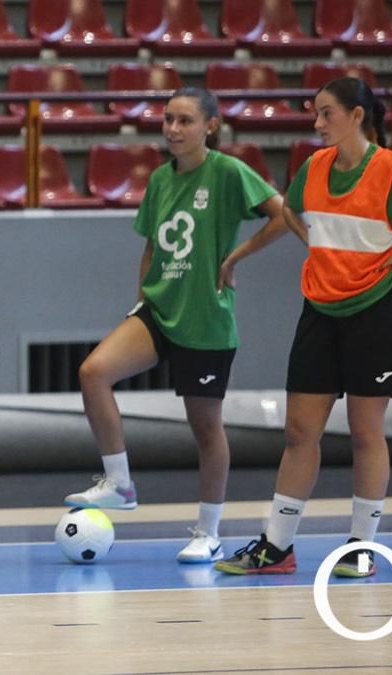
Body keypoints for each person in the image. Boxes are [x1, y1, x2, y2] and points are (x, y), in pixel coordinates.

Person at [216, 78, 392, 576]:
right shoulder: (315, 167)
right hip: (320, 311)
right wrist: (318, 245)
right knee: (299, 430)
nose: (317, 123)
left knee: (365, 431)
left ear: (356, 116)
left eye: (326, 113)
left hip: (376, 310)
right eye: (315, 113)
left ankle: (360, 548)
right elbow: (289, 207)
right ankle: (277, 546)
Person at [63, 88, 288, 563]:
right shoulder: (161, 179)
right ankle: (120, 483)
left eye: (185, 120)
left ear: (210, 126)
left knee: (205, 429)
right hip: (159, 309)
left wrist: (239, 255)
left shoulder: (227, 172)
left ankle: (208, 532)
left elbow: (282, 213)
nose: (172, 129)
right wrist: (143, 294)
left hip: (206, 318)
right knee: (93, 372)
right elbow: (150, 244)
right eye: (168, 119)